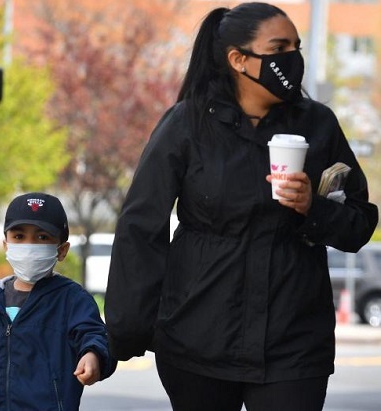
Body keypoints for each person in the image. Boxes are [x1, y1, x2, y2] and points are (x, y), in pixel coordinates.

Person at [104, 3, 378, 411]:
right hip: (198, 338)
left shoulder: (317, 125)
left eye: (296, 46)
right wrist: (126, 331)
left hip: (294, 343)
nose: (293, 58)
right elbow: (141, 227)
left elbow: (359, 223)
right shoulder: (186, 124)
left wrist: (313, 209)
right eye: (279, 47)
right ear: (239, 60)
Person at [0, 192, 115, 410]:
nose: (29, 245)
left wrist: (93, 354)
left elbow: (94, 334)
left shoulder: (72, 300)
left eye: (42, 237)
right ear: (6, 245)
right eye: (19, 237)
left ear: (62, 250)